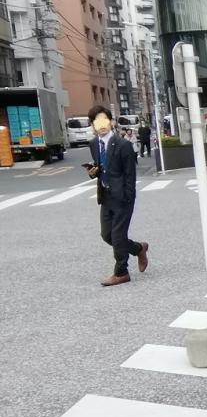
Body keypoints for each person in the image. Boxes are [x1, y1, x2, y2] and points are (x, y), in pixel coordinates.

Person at [86, 106, 149, 287]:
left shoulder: (124, 145)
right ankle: (138, 248)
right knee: (107, 235)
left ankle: (121, 272)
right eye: (97, 122)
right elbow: (100, 168)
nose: (102, 125)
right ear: (92, 125)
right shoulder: (94, 144)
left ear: (111, 122)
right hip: (105, 196)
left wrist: (129, 198)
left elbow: (130, 175)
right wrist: (93, 172)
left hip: (122, 197)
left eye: (105, 120)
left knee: (118, 235)